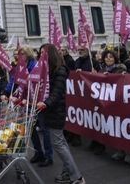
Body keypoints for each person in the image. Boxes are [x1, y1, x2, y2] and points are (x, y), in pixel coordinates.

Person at [36, 44, 86, 184]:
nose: (40, 56)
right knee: (61, 143)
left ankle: (77, 177)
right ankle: (67, 173)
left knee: (59, 144)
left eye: (43, 54)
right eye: (39, 54)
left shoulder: (60, 70)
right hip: (49, 111)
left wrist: (46, 103)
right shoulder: (47, 70)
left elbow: (57, 92)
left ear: (50, 55)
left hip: (55, 111)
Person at [100, 51, 130, 164]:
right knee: (115, 127)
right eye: (106, 57)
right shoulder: (102, 70)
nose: (108, 59)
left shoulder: (121, 69)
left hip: (120, 102)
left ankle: (128, 153)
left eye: (111, 57)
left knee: (124, 127)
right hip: (109, 103)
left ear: (115, 58)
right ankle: (119, 151)